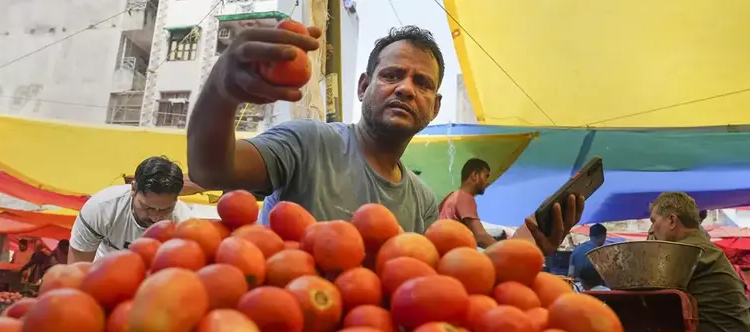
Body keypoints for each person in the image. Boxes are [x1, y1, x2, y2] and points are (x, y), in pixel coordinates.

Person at [187, 24, 583, 253]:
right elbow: (210, 169)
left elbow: (442, 282)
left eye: (422, 83)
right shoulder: (308, 142)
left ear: (435, 107)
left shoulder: (423, 201)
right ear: (363, 86)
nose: (406, 89)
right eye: (392, 75)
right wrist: (222, 90)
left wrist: (523, 249)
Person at [648, 191, 750, 332]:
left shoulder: (689, 251)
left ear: (672, 221)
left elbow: (645, 283)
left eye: (653, 221)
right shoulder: (703, 247)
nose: (650, 229)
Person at [69, 157, 192, 263]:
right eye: (148, 207)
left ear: (176, 200)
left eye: (166, 209)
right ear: (133, 189)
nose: (155, 217)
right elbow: (77, 269)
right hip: (102, 276)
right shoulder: (101, 209)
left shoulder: (183, 224)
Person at [438, 158, 496, 248]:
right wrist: (508, 251)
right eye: (486, 176)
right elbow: (481, 237)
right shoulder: (465, 197)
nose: (488, 182)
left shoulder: (450, 196)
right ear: (475, 175)